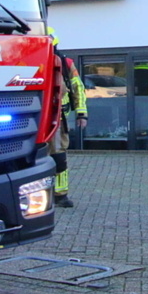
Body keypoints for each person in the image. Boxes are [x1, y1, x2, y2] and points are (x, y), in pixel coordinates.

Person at [47, 27, 88, 208]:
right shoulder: (28, 61)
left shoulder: (65, 63)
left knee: (58, 156)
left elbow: (78, 88)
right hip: (36, 117)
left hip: (57, 117)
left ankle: (60, 194)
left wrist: (82, 113)